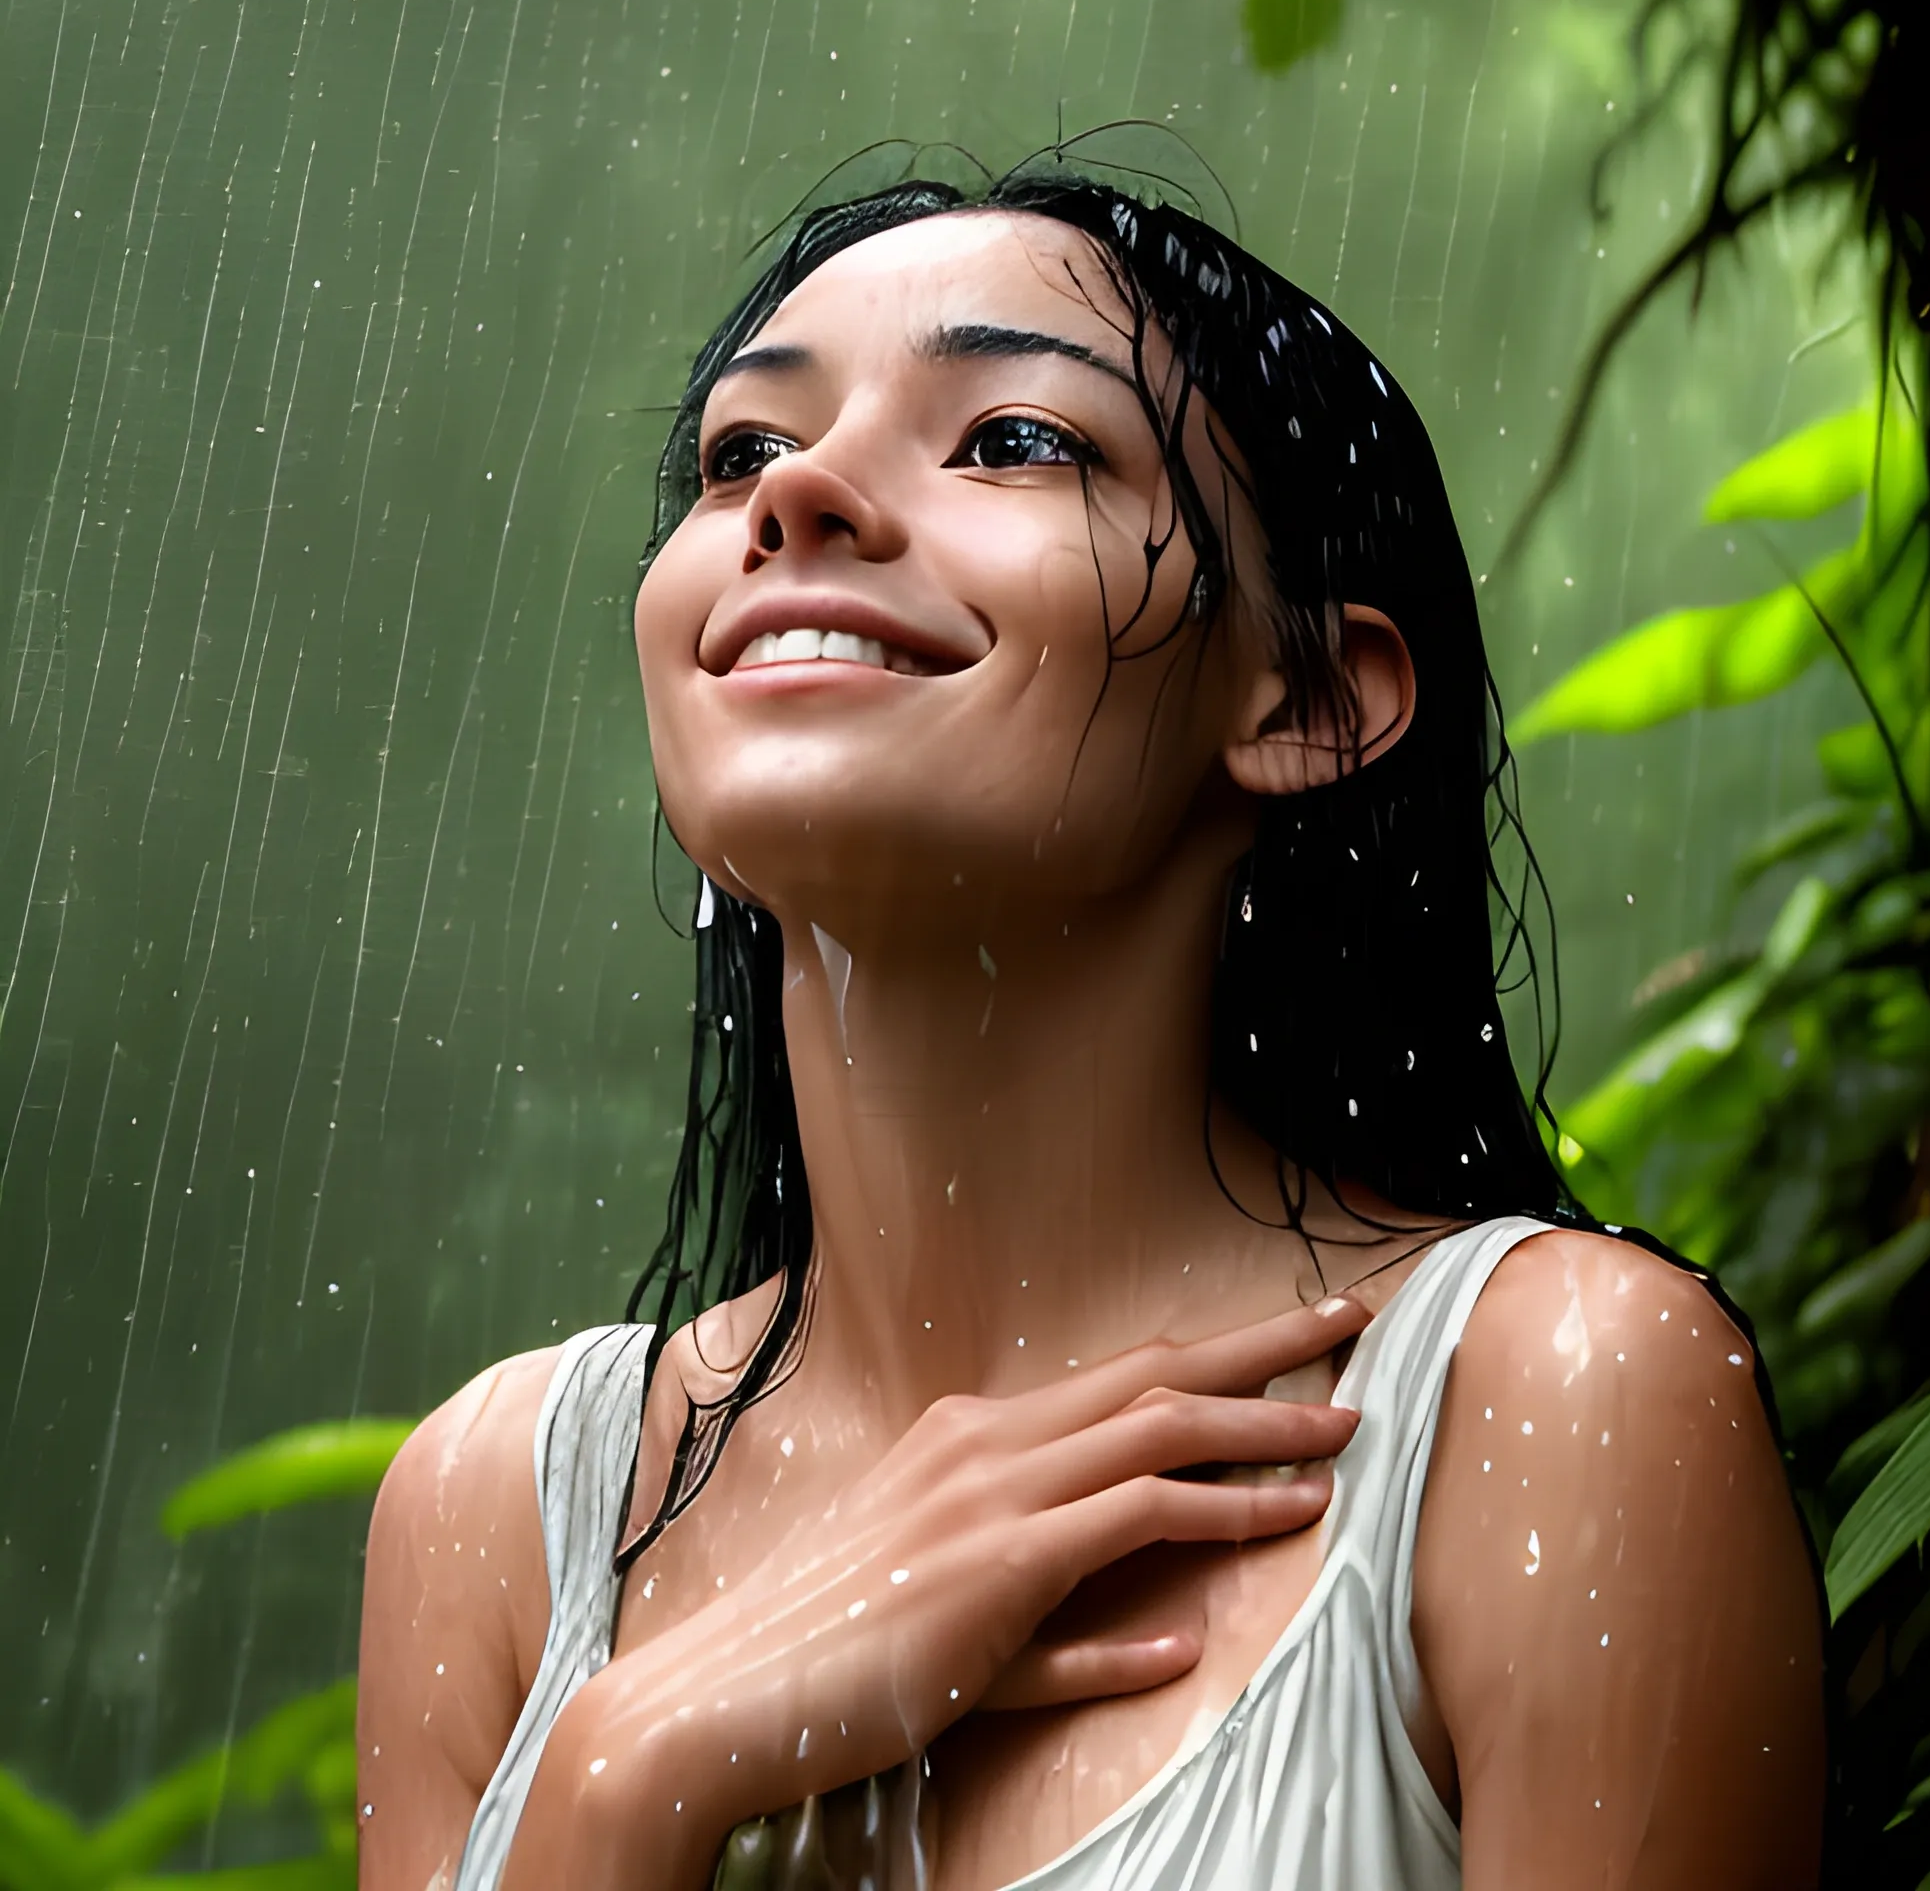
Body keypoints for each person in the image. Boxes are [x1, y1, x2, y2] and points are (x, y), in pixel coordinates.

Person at [356, 166, 1826, 1891]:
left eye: (1014, 441)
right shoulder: (497, 1514)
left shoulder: (1564, 1399)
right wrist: (622, 1779)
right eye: (741, 455)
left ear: (1305, 695)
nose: (798, 494)